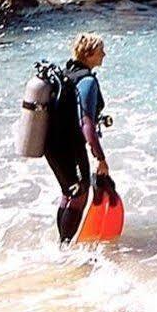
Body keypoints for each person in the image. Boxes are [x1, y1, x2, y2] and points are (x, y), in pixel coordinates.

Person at [46, 33, 111, 243]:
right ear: (89, 53)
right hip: (70, 146)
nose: (104, 54)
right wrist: (100, 157)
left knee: (68, 192)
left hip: (51, 144)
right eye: (101, 50)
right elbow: (87, 125)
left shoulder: (66, 75)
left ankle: (61, 243)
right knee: (80, 193)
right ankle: (64, 248)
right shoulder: (87, 81)